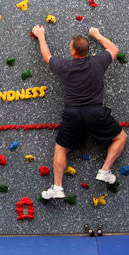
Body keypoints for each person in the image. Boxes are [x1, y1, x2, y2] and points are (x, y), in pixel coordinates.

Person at [31, 26, 128, 199]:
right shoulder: (98, 61)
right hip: (95, 112)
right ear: (87, 51)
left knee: (61, 149)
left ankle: (57, 187)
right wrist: (97, 35)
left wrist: (41, 36)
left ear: (73, 52)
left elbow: (47, 56)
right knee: (121, 137)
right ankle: (105, 170)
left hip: (73, 113)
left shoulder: (65, 66)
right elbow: (113, 49)